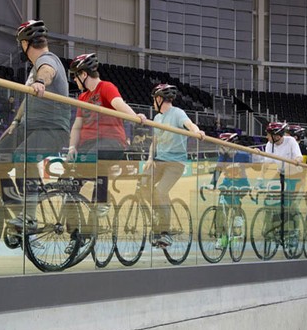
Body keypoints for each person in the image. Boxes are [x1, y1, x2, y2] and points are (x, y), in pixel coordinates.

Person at [0, 20, 71, 232]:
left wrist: (41, 82)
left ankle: (30, 218)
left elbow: (47, 71)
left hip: (52, 128)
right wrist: (15, 121)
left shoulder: (47, 60)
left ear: (25, 44)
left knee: (24, 156)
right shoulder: (34, 70)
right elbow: (28, 97)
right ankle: (19, 210)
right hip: (28, 126)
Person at [67, 52, 146, 216]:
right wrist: (72, 147)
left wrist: (135, 116)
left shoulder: (106, 86)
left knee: (96, 156)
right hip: (88, 144)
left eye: (75, 76)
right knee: (71, 181)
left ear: (83, 74)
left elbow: (118, 103)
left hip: (111, 141)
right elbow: (77, 126)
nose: (74, 80)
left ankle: (102, 200)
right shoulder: (82, 97)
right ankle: (75, 230)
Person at [144, 83, 204, 248]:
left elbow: (189, 125)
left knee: (160, 191)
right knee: (142, 187)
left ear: (159, 99)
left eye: (154, 99)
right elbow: (154, 141)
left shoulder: (178, 113)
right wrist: (150, 158)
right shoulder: (157, 118)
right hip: (159, 161)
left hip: (175, 163)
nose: (153, 102)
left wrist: (197, 131)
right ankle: (160, 211)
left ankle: (166, 233)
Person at [209, 132, 251, 250]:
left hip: (242, 183)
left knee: (234, 195)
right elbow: (218, 170)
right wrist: (212, 184)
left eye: (223, 145)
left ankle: (238, 217)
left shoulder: (243, 155)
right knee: (221, 208)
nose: (221, 148)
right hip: (227, 183)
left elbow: (255, 166)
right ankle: (221, 237)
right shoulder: (223, 156)